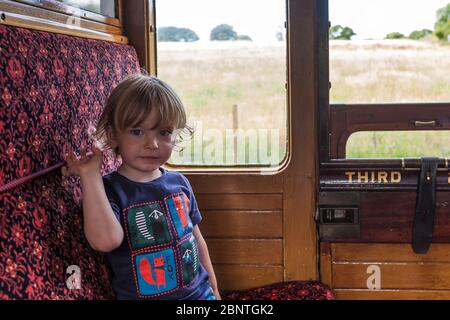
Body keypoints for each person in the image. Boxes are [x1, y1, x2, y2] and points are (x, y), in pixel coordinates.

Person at [62, 73, 220, 300]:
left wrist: (214, 290)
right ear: (113, 136)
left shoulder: (179, 184)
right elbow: (105, 241)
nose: (153, 144)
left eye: (163, 132)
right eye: (137, 132)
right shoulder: (108, 191)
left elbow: (196, 240)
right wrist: (90, 176)